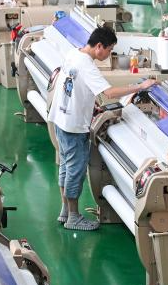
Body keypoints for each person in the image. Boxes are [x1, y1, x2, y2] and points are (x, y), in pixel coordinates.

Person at [48, 23, 157, 231]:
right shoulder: (87, 65)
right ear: (99, 46)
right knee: (75, 171)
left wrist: (91, 102)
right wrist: (140, 86)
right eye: (109, 49)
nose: (109, 54)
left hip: (61, 119)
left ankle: (65, 211)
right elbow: (109, 93)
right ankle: (73, 217)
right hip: (73, 126)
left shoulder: (74, 53)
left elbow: (77, 86)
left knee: (66, 166)